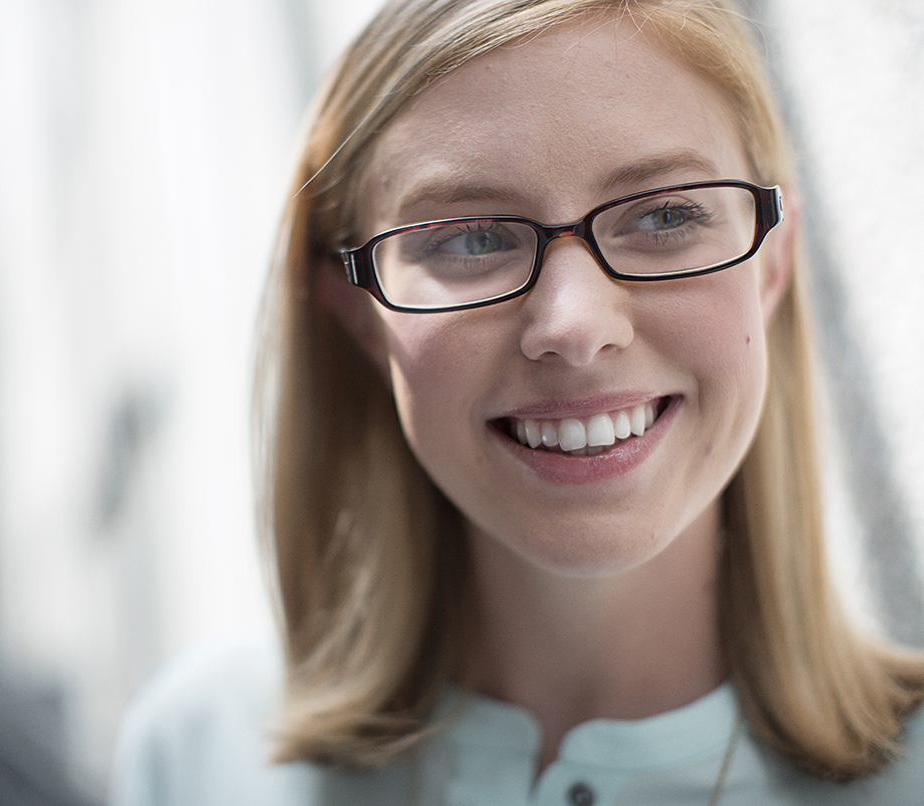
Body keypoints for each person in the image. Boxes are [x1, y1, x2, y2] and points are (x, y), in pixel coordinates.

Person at [112, 0, 924, 803]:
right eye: (470, 237)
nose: (573, 326)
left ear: (772, 266)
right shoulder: (197, 755)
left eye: (668, 215)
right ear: (358, 312)